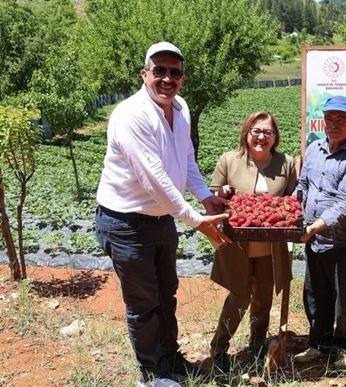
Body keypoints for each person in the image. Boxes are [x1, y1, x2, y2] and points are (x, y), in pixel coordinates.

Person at [95, 41, 231, 387]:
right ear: (145, 74)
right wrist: (195, 220)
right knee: (143, 303)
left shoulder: (180, 108)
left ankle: (171, 360)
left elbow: (185, 159)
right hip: (126, 222)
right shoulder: (131, 115)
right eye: (160, 70)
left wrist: (205, 197)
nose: (167, 78)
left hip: (161, 219)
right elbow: (153, 178)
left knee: (167, 294)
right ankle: (153, 372)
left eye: (175, 72)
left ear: (183, 79)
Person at [207, 111, 299, 371]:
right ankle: (219, 348)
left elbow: (292, 199)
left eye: (267, 132)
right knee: (239, 297)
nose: (261, 137)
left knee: (263, 299)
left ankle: (257, 346)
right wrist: (221, 192)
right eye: (256, 131)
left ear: (275, 137)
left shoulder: (286, 163)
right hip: (238, 245)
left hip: (271, 247)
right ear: (246, 133)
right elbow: (214, 194)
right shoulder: (229, 160)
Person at [293, 95, 346, 372]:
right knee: (315, 295)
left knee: (345, 301)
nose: (334, 123)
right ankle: (320, 343)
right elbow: (302, 185)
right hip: (316, 241)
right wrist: (290, 213)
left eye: (341, 119)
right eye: (329, 118)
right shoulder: (314, 149)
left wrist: (314, 225)